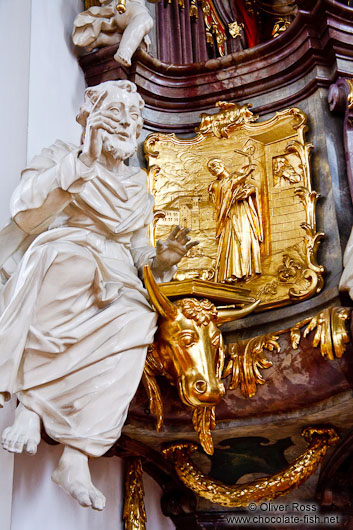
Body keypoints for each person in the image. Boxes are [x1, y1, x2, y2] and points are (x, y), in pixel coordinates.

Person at [0, 80, 196, 510]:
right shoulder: (59, 156)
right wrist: (82, 161)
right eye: (116, 115)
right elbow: (26, 211)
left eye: (133, 119)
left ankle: (76, 455)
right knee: (69, 264)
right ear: (91, 119)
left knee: (137, 319)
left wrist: (162, 259)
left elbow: (138, 248)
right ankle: (30, 407)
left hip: (119, 271)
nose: (126, 125)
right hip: (66, 247)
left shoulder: (136, 183)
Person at [208, 158, 263, 283]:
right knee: (230, 241)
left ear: (222, 164)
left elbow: (253, 188)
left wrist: (249, 192)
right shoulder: (215, 185)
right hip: (228, 215)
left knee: (243, 239)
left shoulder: (237, 176)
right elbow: (218, 203)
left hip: (242, 211)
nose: (214, 170)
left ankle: (245, 271)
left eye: (215, 166)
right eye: (211, 169)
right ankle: (230, 273)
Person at [72, 0, 153, 67]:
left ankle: (103, 39)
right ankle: (125, 51)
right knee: (146, 20)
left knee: (141, 46)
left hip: (137, 10)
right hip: (123, 8)